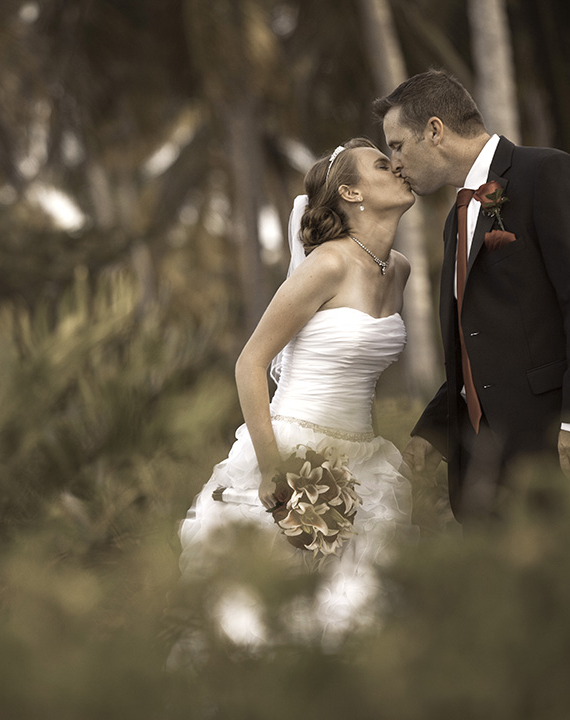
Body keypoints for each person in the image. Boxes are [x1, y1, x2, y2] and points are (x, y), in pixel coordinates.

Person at [372, 70, 570, 522]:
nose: (394, 162)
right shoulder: (456, 219)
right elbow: (477, 340)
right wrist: (435, 431)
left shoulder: (549, 174)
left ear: (435, 130)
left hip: (569, 450)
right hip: (493, 466)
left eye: (397, 145)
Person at [176, 138, 417, 645]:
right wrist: (271, 469)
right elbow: (250, 362)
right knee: (267, 623)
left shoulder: (399, 269)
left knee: (355, 619)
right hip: (290, 452)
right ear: (351, 192)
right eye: (382, 163)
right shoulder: (327, 264)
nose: (397, 166)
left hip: (365, 463)